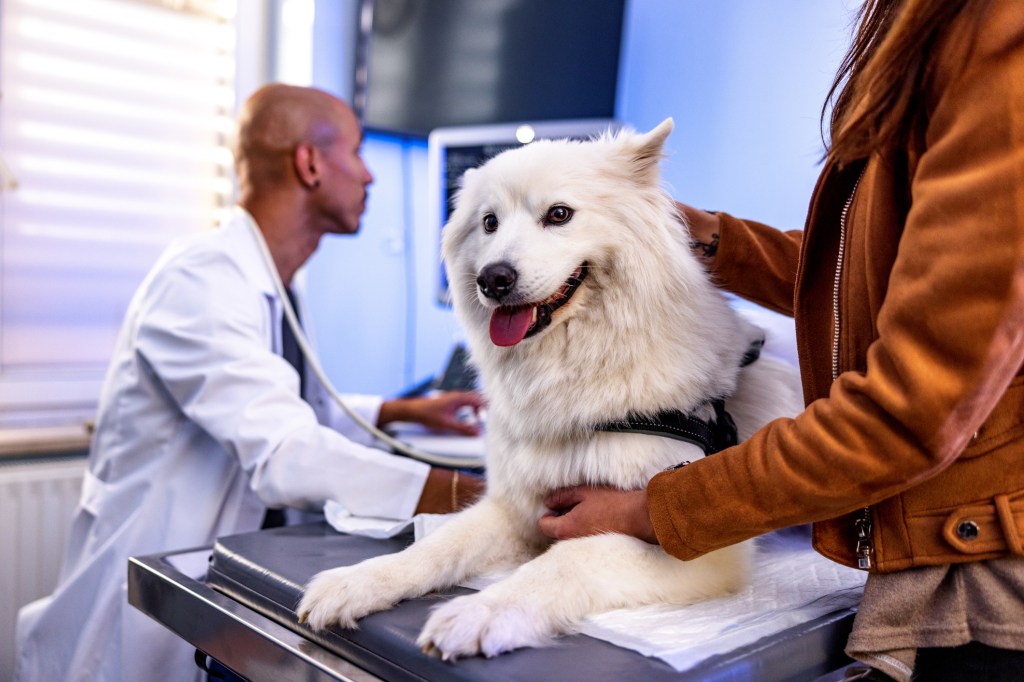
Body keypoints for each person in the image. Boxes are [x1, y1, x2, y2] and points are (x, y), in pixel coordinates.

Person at [538, 1, 1024, 680]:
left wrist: (658, 508)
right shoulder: (930, 29)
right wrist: (710, 241)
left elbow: (909, 412)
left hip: (986, 588)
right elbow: (879, 280)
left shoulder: (996, 33)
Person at [15, 83, 485, 682]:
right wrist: (475, 499)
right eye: (358, 151)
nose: (370, 176)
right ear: (309, 163)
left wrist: (404, 411)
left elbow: (292, 410)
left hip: (226, 575)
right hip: (150, 601)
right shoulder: (203, 281)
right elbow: (287, 455)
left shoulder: (276, 285)